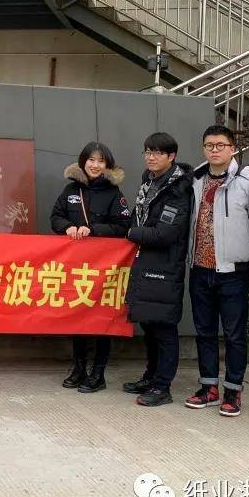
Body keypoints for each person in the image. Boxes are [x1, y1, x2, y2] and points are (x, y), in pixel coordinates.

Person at [185, 126, 249, 417]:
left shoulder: (248, 183)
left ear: (233, 148)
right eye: (209, 145)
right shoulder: (196, 179)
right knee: (204, 331)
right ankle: (208, 387)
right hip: (200, 269)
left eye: (221, 145)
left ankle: (233, 390)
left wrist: (244, 258)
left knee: (234, 334)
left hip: (233, 271)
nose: (214, 150)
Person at [50, 141, 131, 393]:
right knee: (79, 314)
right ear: (83, 162)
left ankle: (98, 373)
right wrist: (67, 227)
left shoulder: (114, 193)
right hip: (77, 266)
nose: (95, 165)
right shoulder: (70, 189)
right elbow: (55, 217)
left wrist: (93, 229)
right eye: (91, 160)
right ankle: (78, 368)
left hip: (105, 266)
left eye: (100, 161)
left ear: (107, 165)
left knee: (102, 317)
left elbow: (123, 226)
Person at [122, 132, 194, 407]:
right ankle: (150, 377)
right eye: (147, 152)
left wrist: (132, 233)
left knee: (163, 327)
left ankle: (163, 386)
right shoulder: (149, 182)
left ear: (171, 156)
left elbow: (166, 233)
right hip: (146, 262)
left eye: (157, 153)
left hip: (165, 265)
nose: (151, 157)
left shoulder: (178, 189)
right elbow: (138, 219)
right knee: (149, 324)